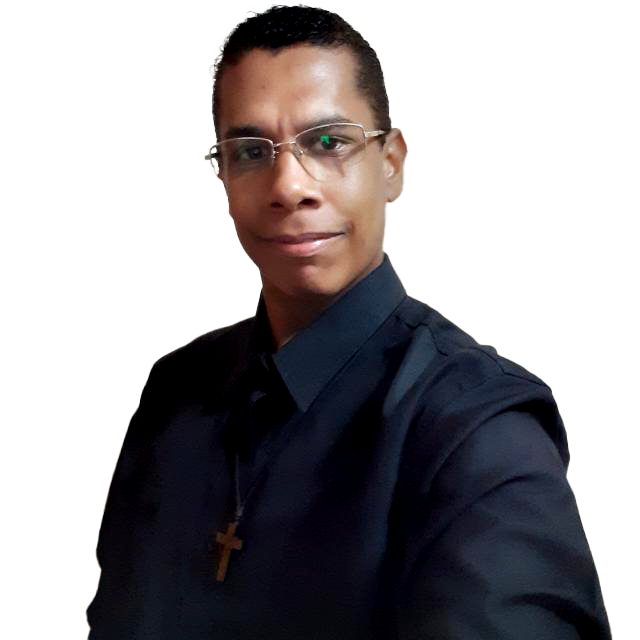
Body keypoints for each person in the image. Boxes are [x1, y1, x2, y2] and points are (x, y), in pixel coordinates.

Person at [87, 4, 611, 639]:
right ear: (223, 175)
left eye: (329, 142)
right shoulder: (175, 389)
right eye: (250, 151)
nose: (289, 186)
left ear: (390, 163)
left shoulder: (478, 424)